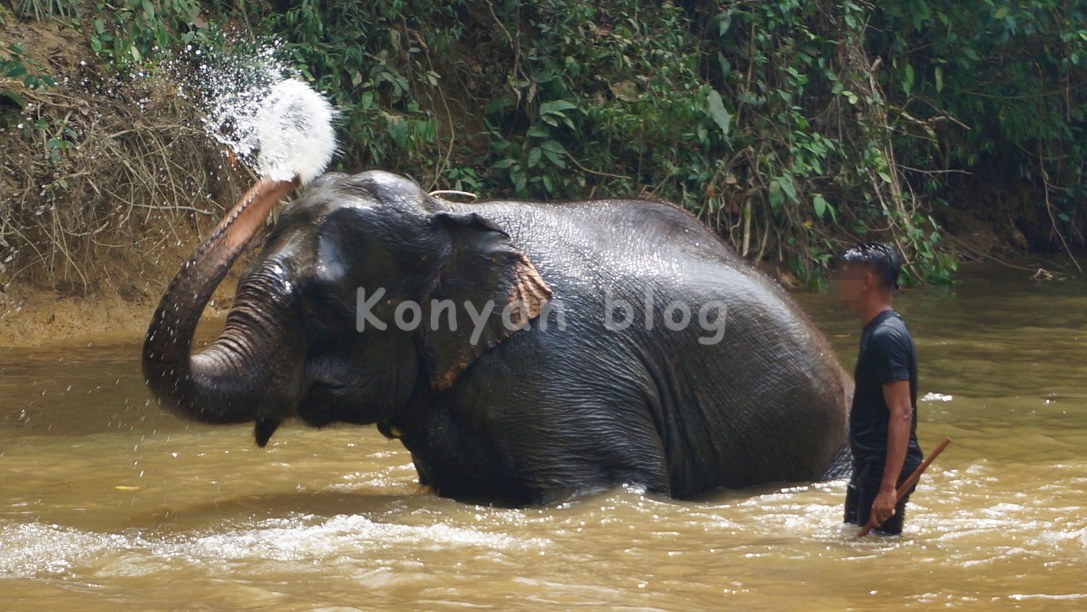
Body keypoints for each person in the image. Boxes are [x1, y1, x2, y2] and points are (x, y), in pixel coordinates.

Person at [837, 242, 923, 535]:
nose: (839, 283)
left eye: (845, 276)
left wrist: (888, 487)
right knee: (853, 540)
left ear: (865, 282)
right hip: (869, 462)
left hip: (884, 466)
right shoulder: (874, 331)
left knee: (876, 554)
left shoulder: (886, 337)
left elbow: (902, 412)